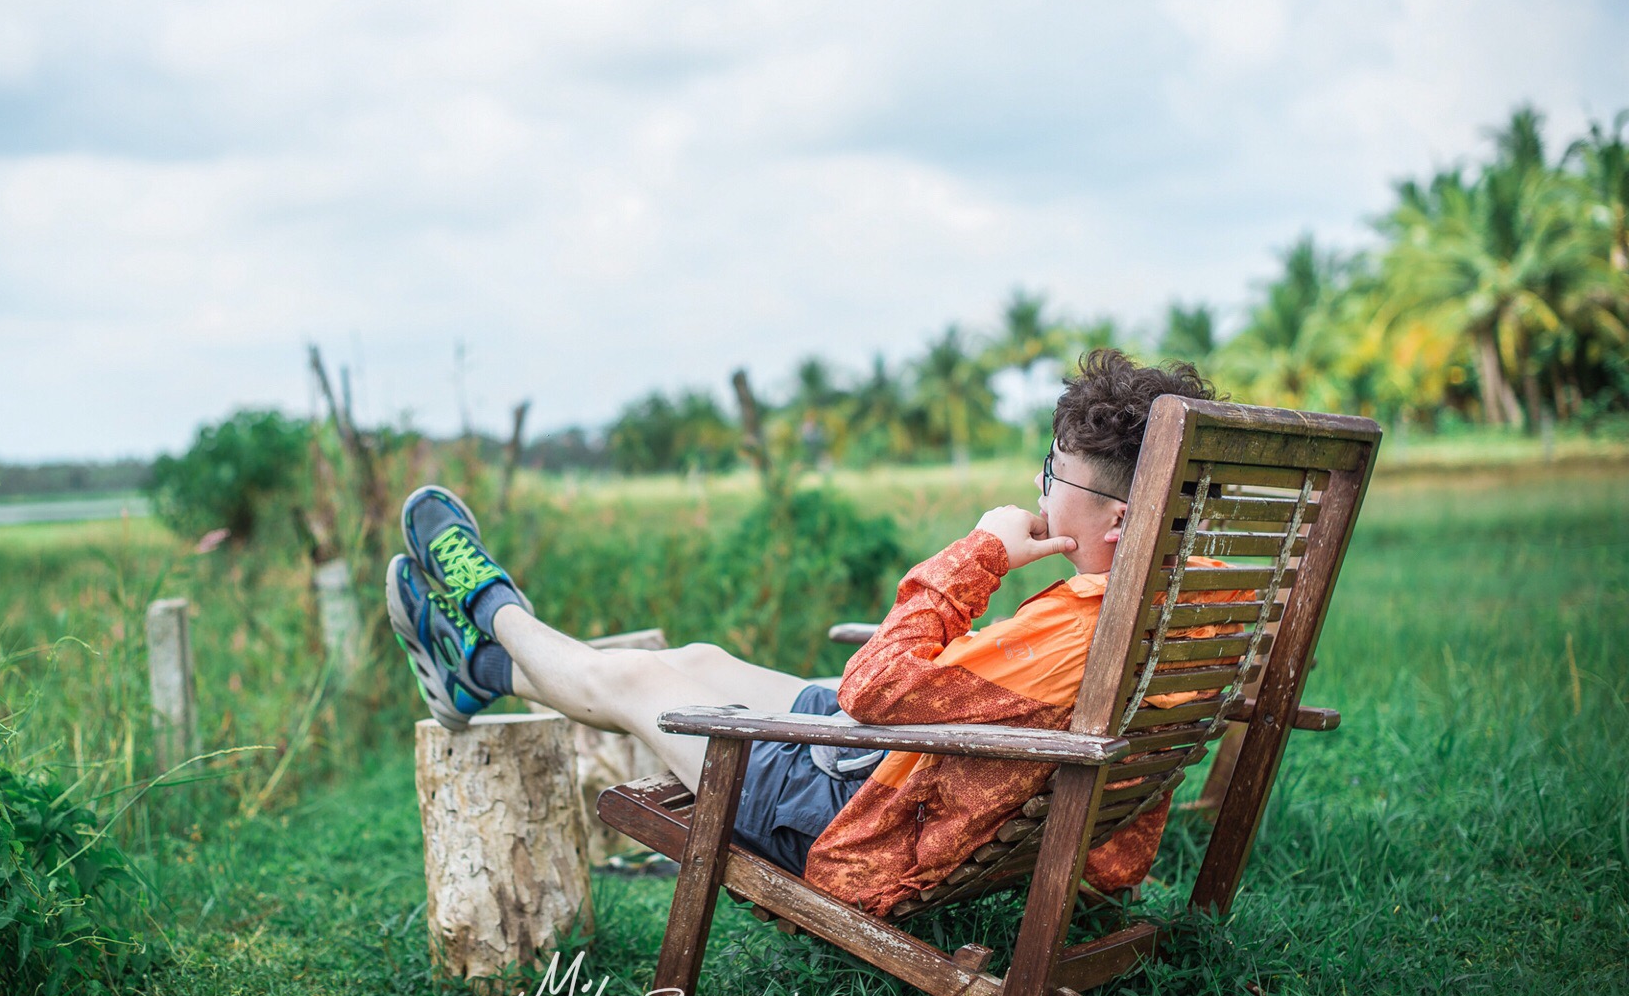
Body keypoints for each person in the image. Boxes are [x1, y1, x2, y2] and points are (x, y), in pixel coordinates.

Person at [387, 350, 1223, 918]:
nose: (1040, 485)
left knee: (641, 684)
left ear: (1118, 520)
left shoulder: (1083, 624)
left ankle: (493, 609)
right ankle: (477, 669)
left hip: (856, 821)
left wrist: (983, 554)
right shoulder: (1189, 603)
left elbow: (871, 690)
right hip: (912, 764)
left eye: (1055, 474)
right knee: (699, 661)